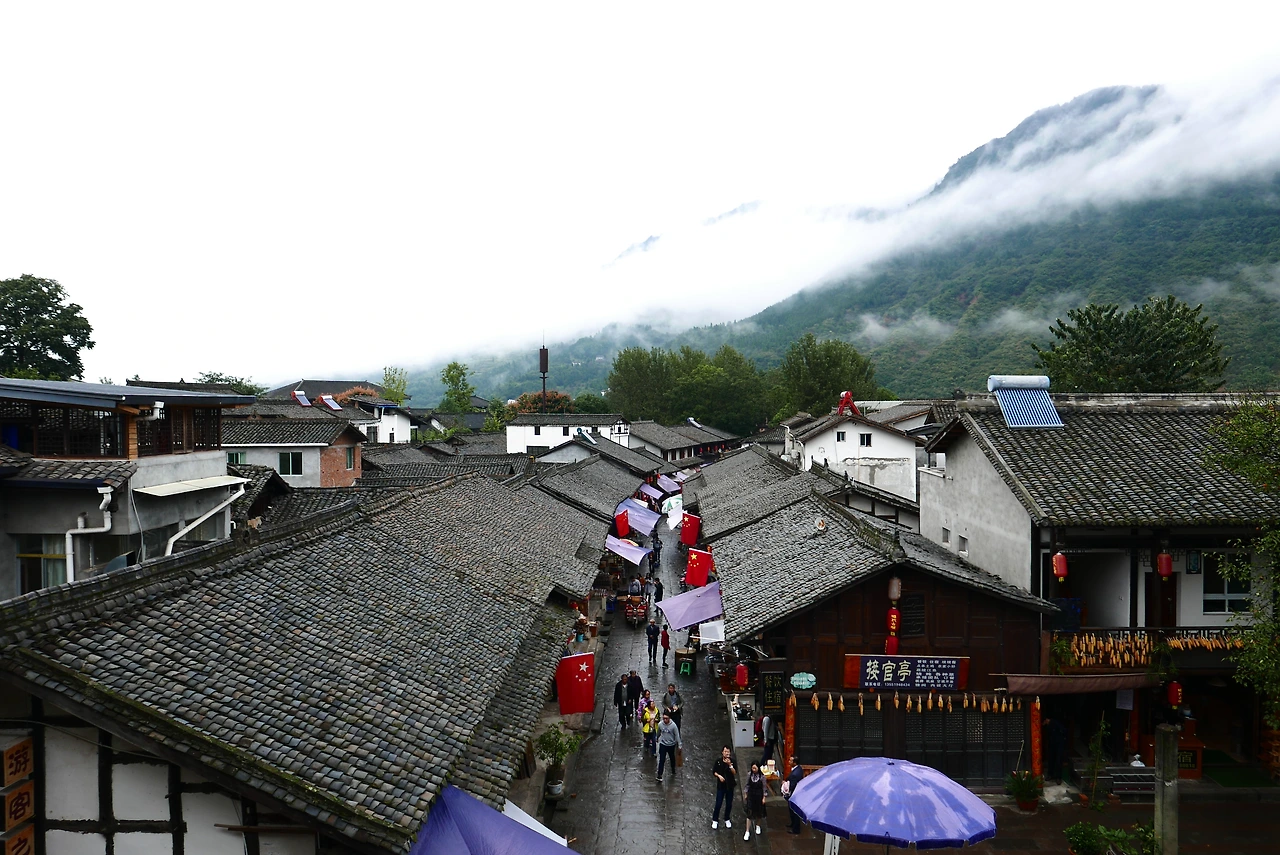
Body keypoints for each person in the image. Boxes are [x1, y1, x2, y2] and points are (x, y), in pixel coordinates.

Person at [711, 745, 738, 829]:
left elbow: (734, 772)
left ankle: (727, 818)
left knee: (729, 803)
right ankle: (715, 819)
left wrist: (730, 765)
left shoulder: (733, 761)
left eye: (728, 752)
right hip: (721, 786)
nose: (727, 753)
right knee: (718, 803)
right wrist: (719, 776)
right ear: (722, 752)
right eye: (725, 751)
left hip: (730, 786)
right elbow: (714, 771)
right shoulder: (718, 761)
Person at [655, 712, 682, 780]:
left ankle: (673, 769)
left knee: (672, 758)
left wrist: (679, 745)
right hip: (663, 744)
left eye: (666, 718)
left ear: (669, 718)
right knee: (662, 760)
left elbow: (677, 735)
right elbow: (658, 732)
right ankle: (659, 775)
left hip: (671, 745)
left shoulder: (673, 726)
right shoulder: (660, 724)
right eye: (664, 718)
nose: (665, 720)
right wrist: (657, 738)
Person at [743, 763, 766, 840]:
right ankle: (747, 831)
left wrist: (764, 797)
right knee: (749, 813)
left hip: (759, 796)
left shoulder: (762, 777)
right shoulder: (749, 775)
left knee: (759, 812)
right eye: (753, 768)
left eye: (755, 768)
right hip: (751, 795)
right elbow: (747, 785)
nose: (754, 770)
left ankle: (758, 826)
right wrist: (746, 793)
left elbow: (764, 788)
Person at [785, 757, 805, 834]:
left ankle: (796, 829)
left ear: (795, 763)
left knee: (794, 811)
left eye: (791, 761)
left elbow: (792, 786)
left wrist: (785, 785)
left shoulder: (795, 774)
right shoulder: (798, 769)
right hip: (797, 793)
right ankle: (793, 824)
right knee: (792, 811)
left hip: (794, 794)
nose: (789, 762)